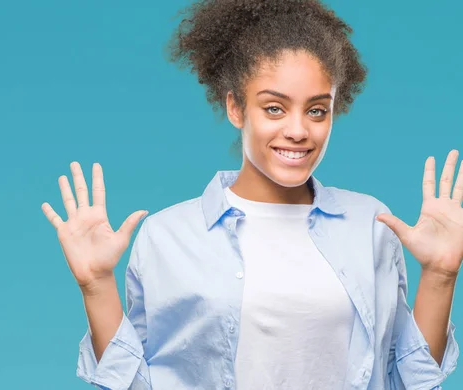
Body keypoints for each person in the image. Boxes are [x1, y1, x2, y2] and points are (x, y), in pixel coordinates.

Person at [41, 0, 462, 389]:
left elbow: (407, 380)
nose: (298, 130)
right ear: (235, 107)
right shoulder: (167, 237)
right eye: (274, 108)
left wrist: (441, 275)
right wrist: (96, 285)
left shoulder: (371, 224)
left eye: (317, 110)